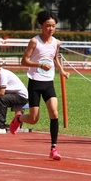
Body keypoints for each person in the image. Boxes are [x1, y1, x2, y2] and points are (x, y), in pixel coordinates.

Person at [9, 11, 69, 160]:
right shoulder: (34, 42)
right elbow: (24, 61)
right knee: (34, 119)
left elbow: (54, 57)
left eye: (53, 26)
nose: (51, 29)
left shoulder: (56, 42)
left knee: (54, 113)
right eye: (48, 26)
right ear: (41, 25)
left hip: (48, 83)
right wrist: (40, 65)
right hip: (35, 82)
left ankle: (53, 148)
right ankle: (18, 119)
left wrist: (62, 71)